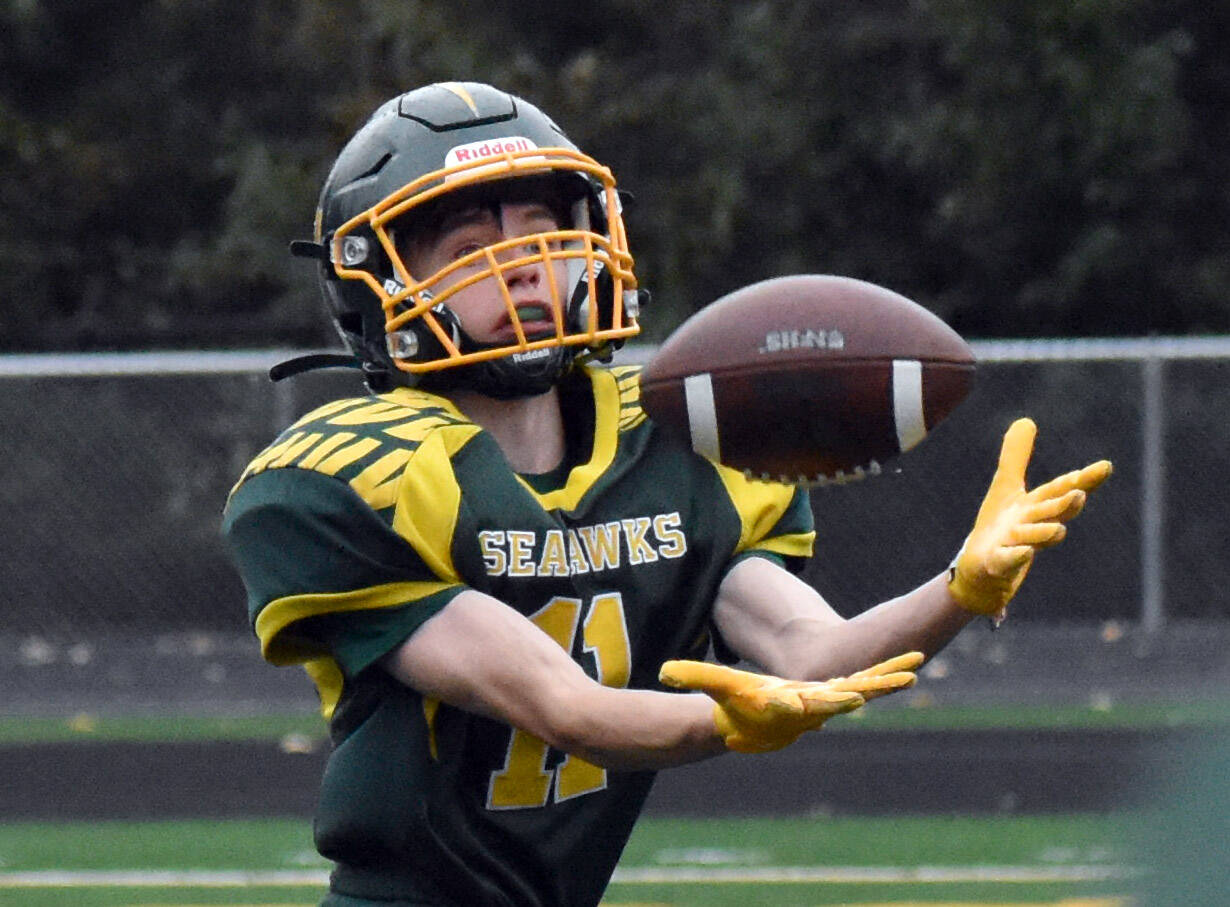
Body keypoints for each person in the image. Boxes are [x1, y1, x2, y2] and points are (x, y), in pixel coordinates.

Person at [221, 81, 1112, 907]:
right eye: (471, 250)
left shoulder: (671, 441)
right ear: (378, 283)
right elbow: (568, 709)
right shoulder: (365, 476)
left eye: (543, 232)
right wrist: (728, 722)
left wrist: (958, 586)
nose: (525, 268)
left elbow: (812, 652)